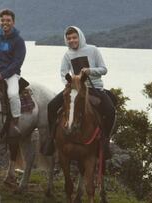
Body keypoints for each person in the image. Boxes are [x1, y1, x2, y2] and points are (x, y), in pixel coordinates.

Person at [46, 26, 115, 158]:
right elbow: (63, 73)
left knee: (110, 110)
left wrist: (90, 71)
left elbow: (104, 69)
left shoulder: (93, 50)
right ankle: (51, 139)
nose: (72, 40)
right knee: (51, 106)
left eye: (74, 37)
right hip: (75, 88)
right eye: (69, 38)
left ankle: (105, 140)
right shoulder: (67, 54)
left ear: (80, 37)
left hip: (94, 88)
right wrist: (69, 83)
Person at [0, 9, 26, 137]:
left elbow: (17, 62)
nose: (5, 23)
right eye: (2, 20)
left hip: (10, 74)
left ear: (13, 22)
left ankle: (15, 121)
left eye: (8, 20)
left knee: (13, 94)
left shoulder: (19, 41)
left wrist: (2, 74)